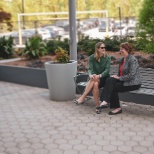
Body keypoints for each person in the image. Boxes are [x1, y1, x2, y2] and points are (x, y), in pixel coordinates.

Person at [97, 42, 141, 115]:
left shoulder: (132, 60)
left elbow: (132, 75)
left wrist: (119, 78)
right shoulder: (122, 59)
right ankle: (105, 101)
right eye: (120, 49)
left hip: (133, 83)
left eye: (122, 49)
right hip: (124, 80)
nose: (120, 50)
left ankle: (116, 107)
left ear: (128, 50)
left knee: (112, 87)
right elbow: (120, 73)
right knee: (110, 79)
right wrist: (116, 76)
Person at [74, 42, 111, 114]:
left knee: (95, 81)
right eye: (102, 48)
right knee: (95, 84)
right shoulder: (92, 57)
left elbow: (107, 70)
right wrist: (90, 75)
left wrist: (99, 75)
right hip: (94, 78)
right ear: (97, 48)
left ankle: (83, 97)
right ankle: (97, 106)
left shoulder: (107, 57)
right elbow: (90, 69)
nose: (104, 49)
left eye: (104, 47)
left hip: (104, 78)